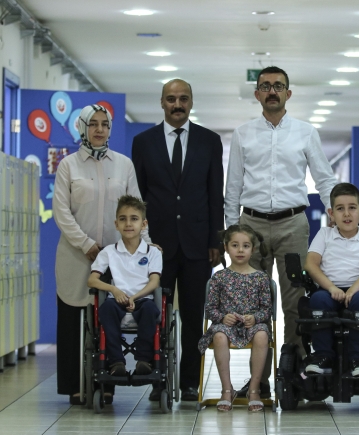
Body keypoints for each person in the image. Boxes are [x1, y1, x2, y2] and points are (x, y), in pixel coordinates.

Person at [225, 66, 337, 397]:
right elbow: (233, 187)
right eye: (265, 86)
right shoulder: (243, 134)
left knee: (295, 303)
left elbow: (324, 178)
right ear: (257, 93)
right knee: (252, 307)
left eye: (278, 86)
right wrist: (231, 233)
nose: (272, 91)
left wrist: (336, 214)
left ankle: (294, 377)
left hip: (292, 224)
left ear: (288, 93)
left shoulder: (306, 132)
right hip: (251, 227)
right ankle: (257, 382)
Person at [132, 79, 224, 401]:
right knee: (156, 313)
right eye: (171, 99)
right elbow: (138, 196)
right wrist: (141, 241)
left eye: (183, 98)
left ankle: (189, 383)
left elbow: (215, 193)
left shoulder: (209, 141)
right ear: (162, 103)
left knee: (193, 317)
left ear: (191, 102)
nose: (177, 104)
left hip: (198, 245)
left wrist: (216, 240)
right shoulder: (143, 142)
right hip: (157, 246)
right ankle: (158, 379)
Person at [53, 104, 151, 405]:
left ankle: (108, 383)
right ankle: (74, 385)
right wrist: (86, 244)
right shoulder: (68, 165)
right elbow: (61, 211)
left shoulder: (123, 165)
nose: (99, 129)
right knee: (73, 320)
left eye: (104, 124)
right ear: (82, 128)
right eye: (93, 124)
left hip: (116, 256)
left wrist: (146, 245)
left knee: (108, 318)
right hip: (76, 254)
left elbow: (136, 208)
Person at [304, 183, 359, 377]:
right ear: (331, 213)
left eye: (352, 208)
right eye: (340, 209)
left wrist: (355, 287)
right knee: (318, 300)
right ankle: (323, 357)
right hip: (330, 287)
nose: (347, 214)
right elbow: (310, 264)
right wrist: (332, 288)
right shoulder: (324, 234)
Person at [198, 224, 272, 412]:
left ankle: (254, 389)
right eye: (235, 245)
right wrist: (223, 317)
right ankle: (227, 390)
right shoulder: (219, 277)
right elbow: (210, 309)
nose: (240, 250)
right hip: (226, 326)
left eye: (246, 246)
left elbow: (267, 310)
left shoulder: (261, 278)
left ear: (253, 249)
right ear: (226, 247)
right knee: (219, 336)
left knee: (262, 334)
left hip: (251, 325)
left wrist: (255, 318)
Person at [87, 195, 162, 377]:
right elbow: (92, 280)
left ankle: (143, 361)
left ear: (143, 224)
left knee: (150, 310)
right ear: (116, 224)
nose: (128, 224)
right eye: (123, 219)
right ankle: (116, 362)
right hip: (116, 300)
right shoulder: (109, 252)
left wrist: (134, 297)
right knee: (106, 309)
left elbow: (154, 281)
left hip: (143, 300)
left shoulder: (153, 252)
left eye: (134, 219)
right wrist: (114, 289)